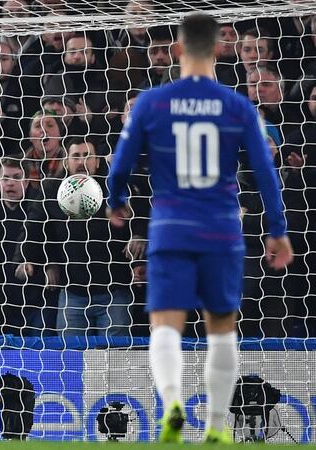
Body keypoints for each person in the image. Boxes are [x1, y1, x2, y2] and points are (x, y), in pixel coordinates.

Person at [107, 13, 293, 444]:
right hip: (222, 230)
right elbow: (266, 174)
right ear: (217, 49)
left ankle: (172, 402)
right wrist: (277, 230)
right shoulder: (237, 106)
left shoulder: (153, 102)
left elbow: (119, 167)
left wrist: (117, 202)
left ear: (177, 50)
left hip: (170, 227)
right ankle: (214, 426)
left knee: (166, 325)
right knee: (222, 328)